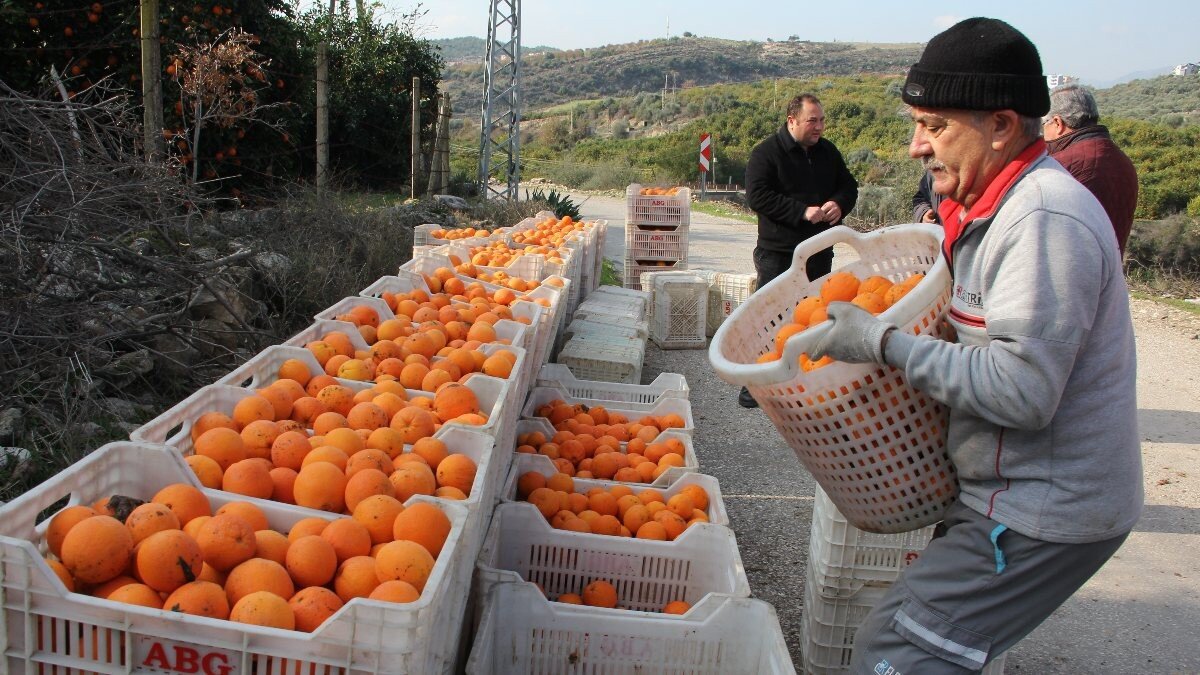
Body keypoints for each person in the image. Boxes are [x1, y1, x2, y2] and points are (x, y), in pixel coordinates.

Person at [810, 18, 1142, 673]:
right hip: (1007, 487)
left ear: (1000, 125)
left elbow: (1022, 390)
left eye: (934, 126)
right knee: (921, 644)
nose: (916, 146)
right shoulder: (994, 205)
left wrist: (882, 341)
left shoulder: (1043, 219)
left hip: (1041, 505)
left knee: (896, 650)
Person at [740, 93, 858, 408]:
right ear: (792, 121)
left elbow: (849, 186)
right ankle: (754, 385)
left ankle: (801, 381)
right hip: (779, 253)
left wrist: (839, 204)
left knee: (811, 318)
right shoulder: (766, 153)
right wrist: (800, 211)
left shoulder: (828, 152)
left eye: (821, 120)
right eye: (812, 121)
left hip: (819, 252)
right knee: (771, 319)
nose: (819, 127)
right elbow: (757, 196)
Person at [1043, 83, 1139, 256]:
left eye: (1044, 124)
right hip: (1111, 268)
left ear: (1057, 123)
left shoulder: (1060, 166)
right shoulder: (1123, 161)